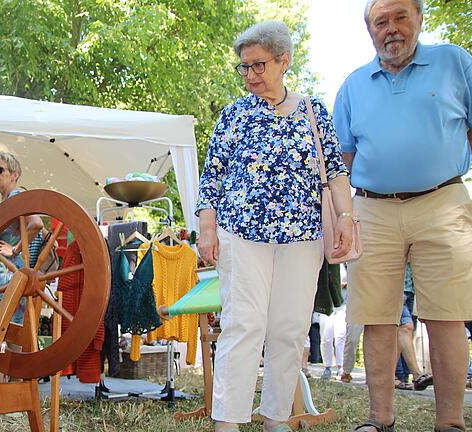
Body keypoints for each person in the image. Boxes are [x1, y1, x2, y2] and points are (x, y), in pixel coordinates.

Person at [196, 20, 353, 432]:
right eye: (244, 67)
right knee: (243, 326)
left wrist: (346, 218)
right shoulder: (233, 115)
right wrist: (207, 229)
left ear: (284, 61)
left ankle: (276, 416)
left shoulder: (314, 111)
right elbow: (211, 179)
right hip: (242, 234)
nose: (249, 75)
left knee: (289, 328)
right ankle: (227, 420)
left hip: (302, 237)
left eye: (258, 65)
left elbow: (336, 172)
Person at [332, 0, 472, 430]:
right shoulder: (354, 84)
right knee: (376, 316)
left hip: (443, 201)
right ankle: (380, 419)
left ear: (418, 19)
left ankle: (449, 422)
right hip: (373, 207)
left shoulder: (454, 61)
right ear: (370, 30)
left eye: (400, 17)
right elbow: (342, 161)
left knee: (446, 314)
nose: (391, 29)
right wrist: (346, 215)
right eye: (381, 21)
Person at [0, 151, 44, 324]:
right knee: (11, 329)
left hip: (6, 272)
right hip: (2, 271)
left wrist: (15, 249)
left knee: (0, 325)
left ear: (14, 175)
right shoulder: (5, 201)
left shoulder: (16, 196)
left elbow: (37, 224)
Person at [394, 264, 431, 391]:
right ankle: (416, 374)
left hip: (411, 288)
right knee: (405, 327)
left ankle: (398, 376)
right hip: (396, 287)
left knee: (401, 333)